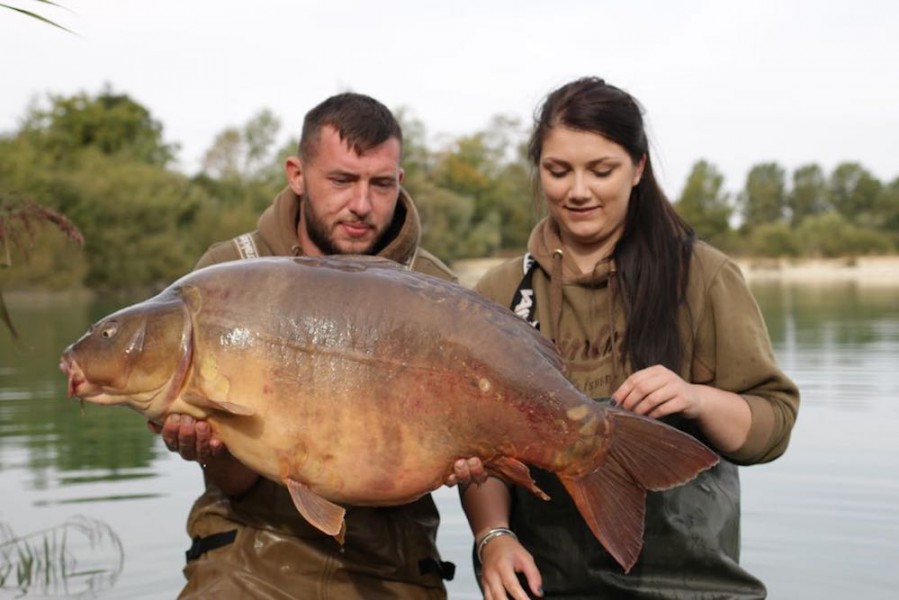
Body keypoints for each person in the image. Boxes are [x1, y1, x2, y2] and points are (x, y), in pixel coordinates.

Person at [460, 77, 800, 599]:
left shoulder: (705, 277)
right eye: (558, 171)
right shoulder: (500, 292)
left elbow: (773, 426)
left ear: (638, 167)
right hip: (547, 585)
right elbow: (480, 450)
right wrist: (493, 536)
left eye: (601, 170)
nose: (578, 191)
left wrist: (697, 399)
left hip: (695, 586)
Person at [151, 92, 483, 599]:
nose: (362, 205)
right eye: (342, 180)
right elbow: (235, 484)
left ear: (400, 182)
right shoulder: (224, 276)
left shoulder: (435, 292)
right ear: (297, 174)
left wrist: (472, 458)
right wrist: (207, 447)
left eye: (381, 184)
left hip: (393, 560)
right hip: (249, 550)